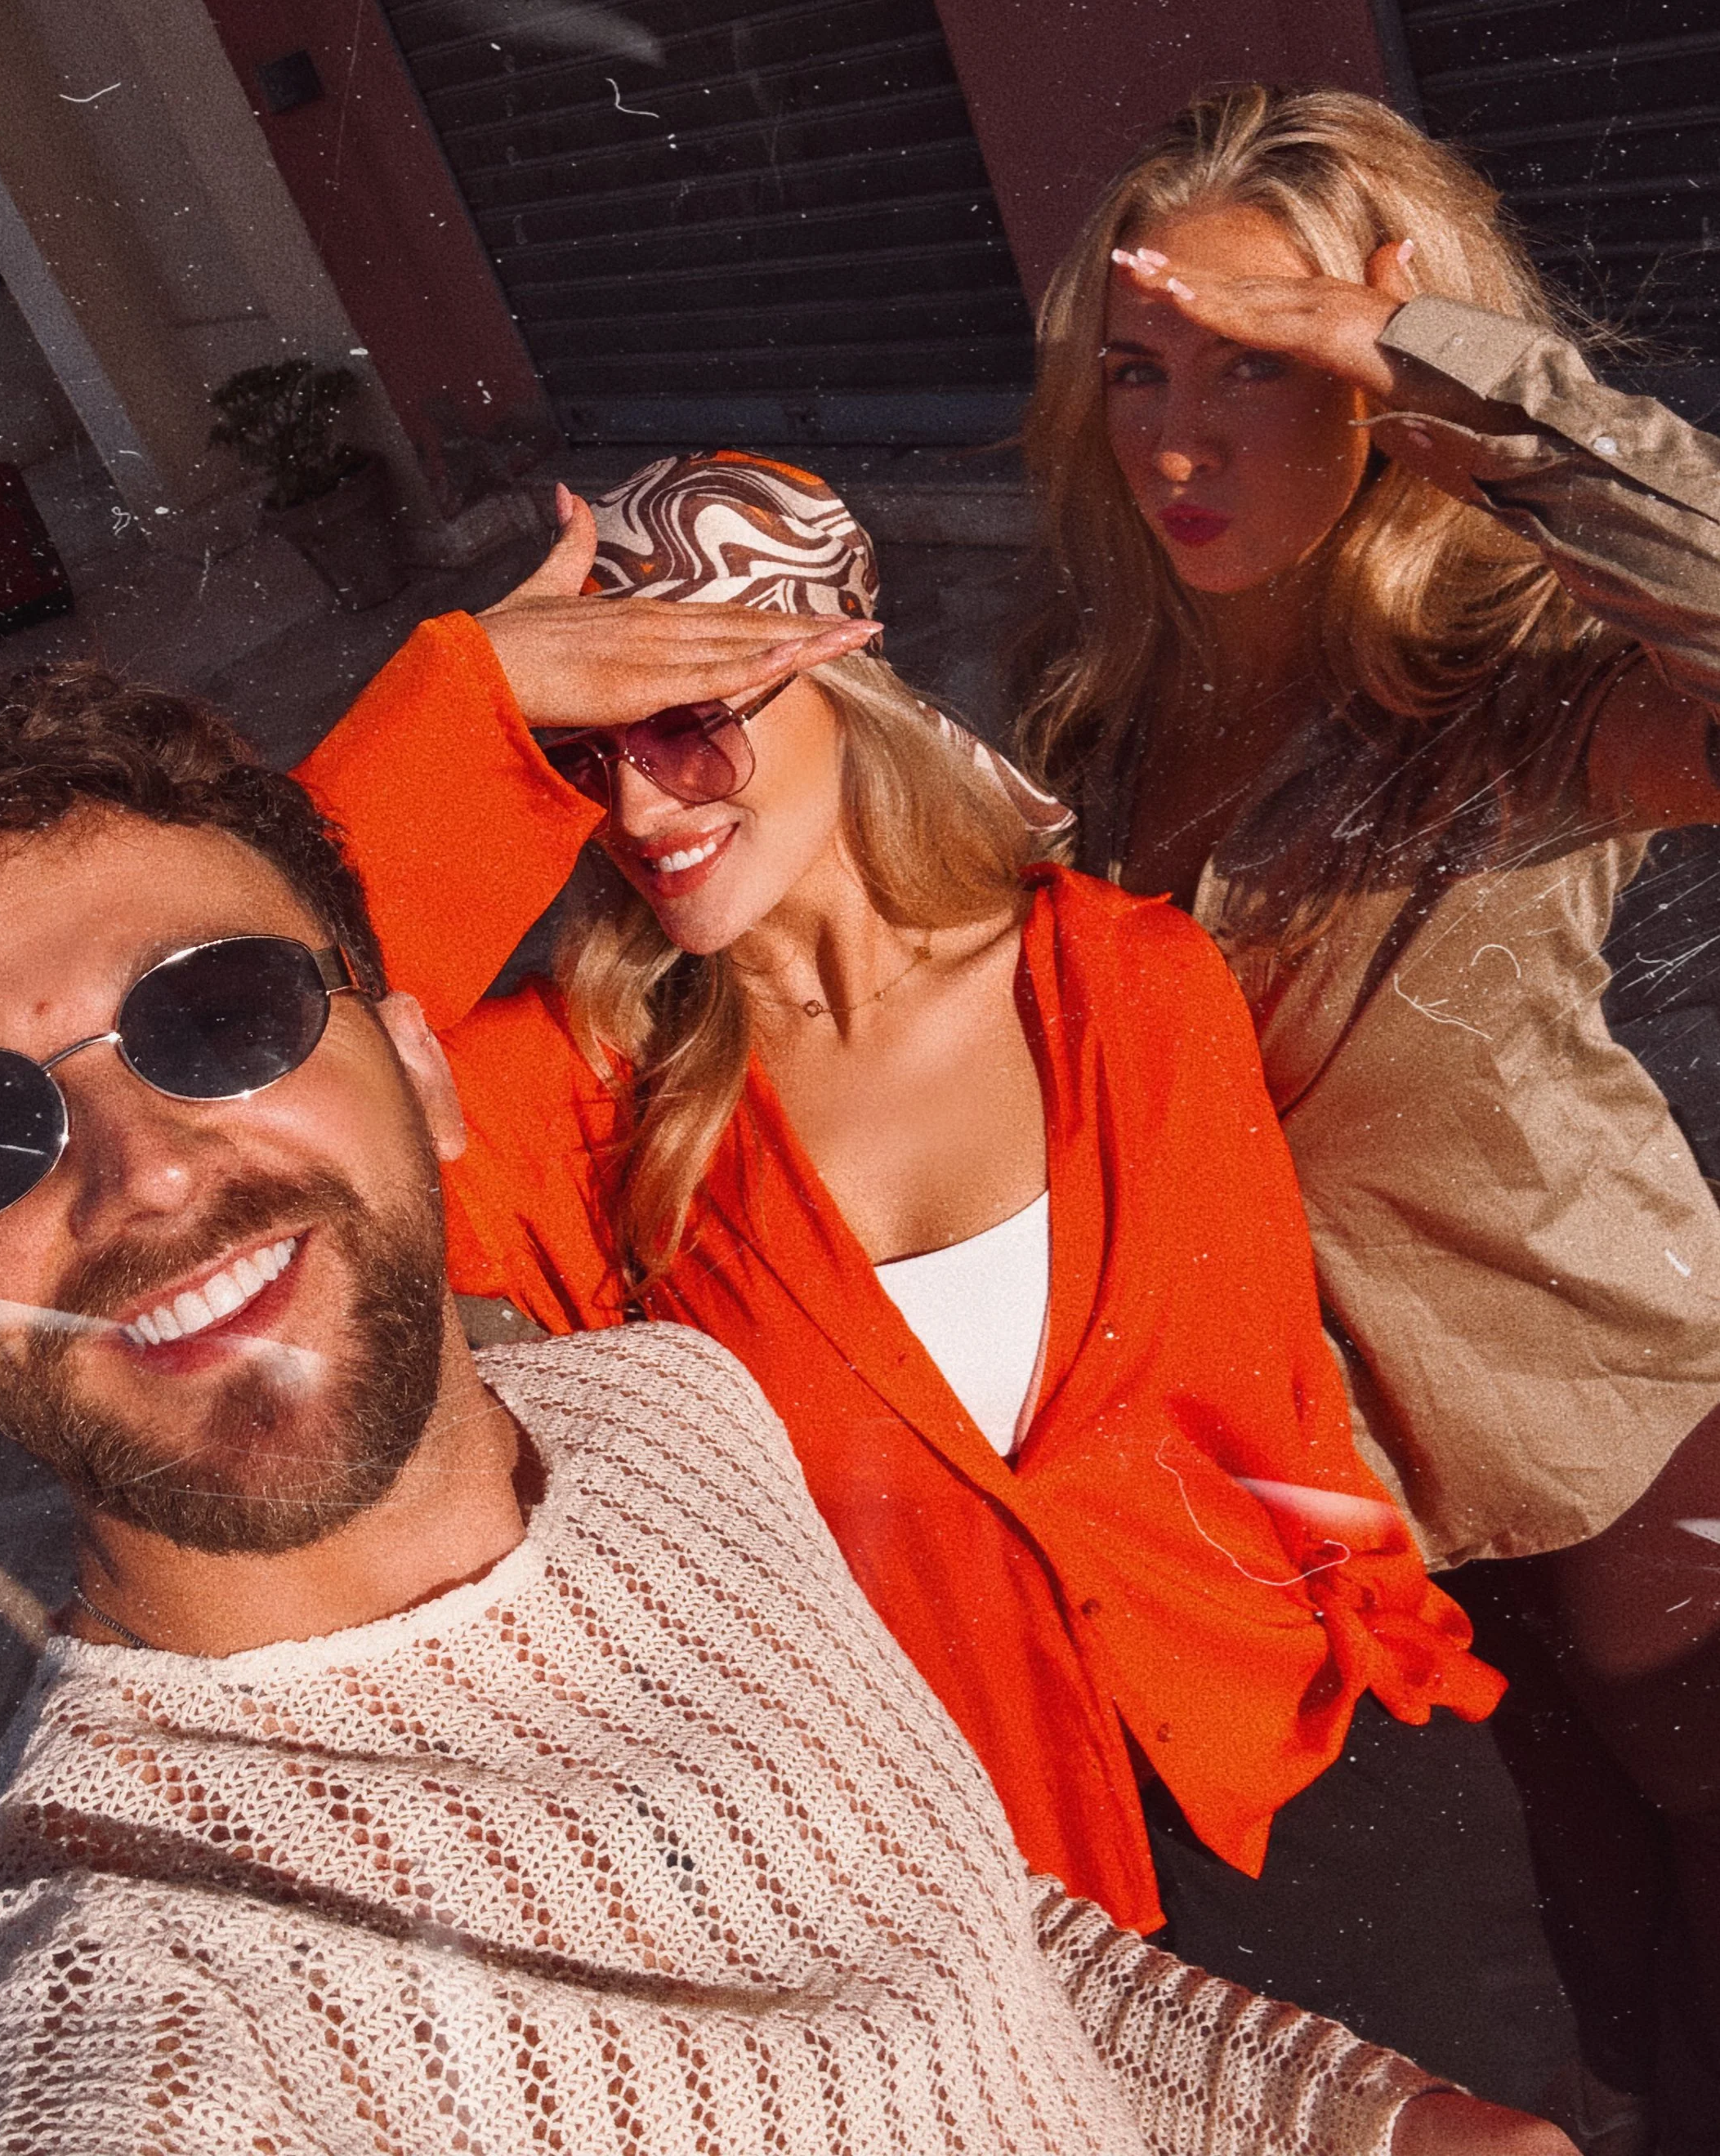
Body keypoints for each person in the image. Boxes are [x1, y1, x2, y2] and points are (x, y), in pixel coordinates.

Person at [0, 663, 1562, 2156]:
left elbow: (955, 1937)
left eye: (218, 1012)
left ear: (414, 1065)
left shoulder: (668, 1412)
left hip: (1295, 1743)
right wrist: (481, 694)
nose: (142, 1169)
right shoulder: (132, 1993)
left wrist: (1368, 2114)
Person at [295, 453, 1572, 2113]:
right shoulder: (581, 1105)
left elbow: (1266, 1392)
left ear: (838, 673)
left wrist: (1389, 1634)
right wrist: (465, 702)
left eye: (689, 723)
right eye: (574, 759)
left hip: (1319, 1773)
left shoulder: (1129, 985)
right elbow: (236, 1066)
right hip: (973, 1901)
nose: (638, 808)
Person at [1011, 83, 1720, 2136]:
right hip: (1354, 1466)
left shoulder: (1507, 699)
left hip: (1613, 1415)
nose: (1171, 441)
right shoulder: (1092, 703)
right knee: (1578, 1848)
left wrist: (1457, 380)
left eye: (1258, 367)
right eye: (1136, 370)